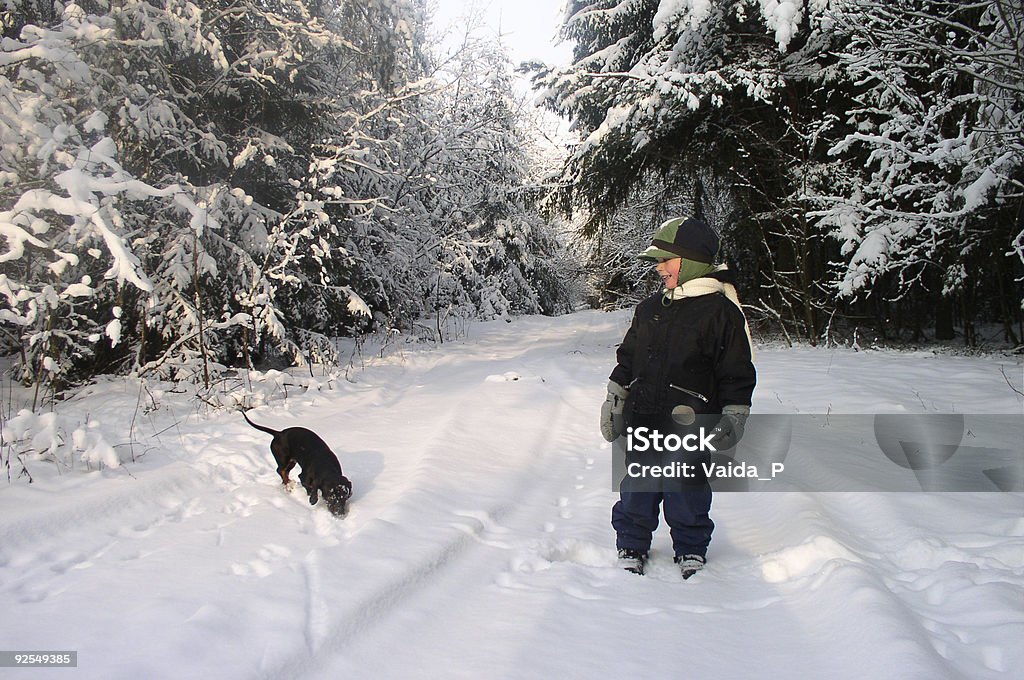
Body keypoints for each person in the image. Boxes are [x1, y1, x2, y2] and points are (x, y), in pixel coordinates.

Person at [600, 216, 756, 579]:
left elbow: (735, 370)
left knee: (686, 487)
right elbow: (628, 358)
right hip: (645, 417)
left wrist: (734, 413)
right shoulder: (651, 309)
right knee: (637, 484)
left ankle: (690, 546)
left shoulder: (721, 313)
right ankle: (632, 542)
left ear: (690, 262)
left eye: (664, 260)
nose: (658, 269)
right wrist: (616, 397)